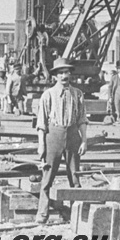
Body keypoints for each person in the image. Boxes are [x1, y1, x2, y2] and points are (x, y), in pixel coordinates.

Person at [35, 57, 89, 224]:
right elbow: (41, 123)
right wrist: (42, 145)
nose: (64, 76)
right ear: (55, 76)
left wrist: (84, 140)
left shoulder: (78, 94)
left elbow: (82, 119)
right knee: (47, 177)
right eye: (61, 73)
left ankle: (76, 216)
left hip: (73, 134)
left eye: (67, 72)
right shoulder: (48, 95)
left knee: (75, 177)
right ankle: (42, 215)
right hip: (54, 135)